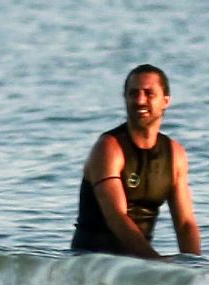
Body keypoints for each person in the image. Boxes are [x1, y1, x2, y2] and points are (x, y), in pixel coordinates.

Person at [71, 64, 201, 258]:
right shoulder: (108, 149)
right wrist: (156, 263)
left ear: (166, 101)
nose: (140, 100)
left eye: (149, 93)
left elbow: (185, 224)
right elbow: (117, 218)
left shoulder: (175, 154)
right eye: (133, 94)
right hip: (93, 264)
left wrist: (196, 269)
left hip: (137, 265)